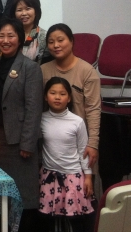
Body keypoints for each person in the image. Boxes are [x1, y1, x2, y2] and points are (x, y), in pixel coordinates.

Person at [0, 17, 43, 232]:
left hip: (19, 144)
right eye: (1, 35)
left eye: (11, 35)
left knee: (23, 197)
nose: (6, 40)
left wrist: (27, 143)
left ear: (20, 38)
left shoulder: (30, 68)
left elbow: (34, 108)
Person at [40, 24, 101, 170]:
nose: (56, 45)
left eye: (60, 40)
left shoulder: (87, 71)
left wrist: (93, 143)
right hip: (50, 147)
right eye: (51, 42)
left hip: (78, 145)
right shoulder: (42, 70)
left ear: (72, 41)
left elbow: (93, 109)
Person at [39, 77, 95, 231]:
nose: (57, 97)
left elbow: (83, 151)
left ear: (69, 98)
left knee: (74, 222)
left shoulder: (77, 121)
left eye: (62, 94)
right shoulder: (41, 119)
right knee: (51, 222)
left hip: (73, 178)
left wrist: (88, 177)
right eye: (53, 93)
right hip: (49, 178)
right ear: (45, 96)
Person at [11, 0, 50, 64]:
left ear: (36, 12)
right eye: (19, 10)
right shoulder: (9, 35)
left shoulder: (44, 36)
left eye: (28, 9)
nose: (24, 13)